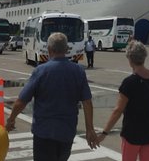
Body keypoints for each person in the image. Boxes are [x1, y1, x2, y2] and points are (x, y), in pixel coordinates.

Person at [6, 32, 98, 161]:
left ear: (49, 49)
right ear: (66, 49)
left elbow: (22, 101)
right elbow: (87, 102)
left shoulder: (40, 71)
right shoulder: (78, 71)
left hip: (44, 132)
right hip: (66, 132)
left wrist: (11, 120)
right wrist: (90, 129)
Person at [97, 40, 149, 161]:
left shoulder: (129, 82)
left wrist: (104, 133)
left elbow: (118, 110)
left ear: (130, 59)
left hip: (133, 133)